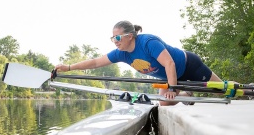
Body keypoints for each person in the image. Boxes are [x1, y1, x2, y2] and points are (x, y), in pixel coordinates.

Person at [54, 20, 222, 106]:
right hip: (172, 77)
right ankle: (186, 95)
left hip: (188, 66)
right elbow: (96, 62)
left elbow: (169, 63)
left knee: (221, 90)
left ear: (129, 36)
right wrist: (68, 67)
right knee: (164, 103)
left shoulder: (148, 42)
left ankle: (246, 90)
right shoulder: (122, 54)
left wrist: (171, 88)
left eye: (117, 37)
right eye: (112, 38)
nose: (115, 41)